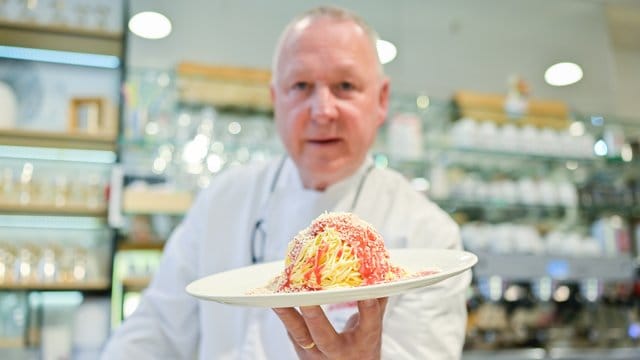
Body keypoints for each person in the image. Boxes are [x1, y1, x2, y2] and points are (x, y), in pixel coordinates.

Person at [102, 6, 470, 359]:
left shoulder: (428, 235)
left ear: (381, 100)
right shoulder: (223, 199)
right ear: (276, 99)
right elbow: (154, 330)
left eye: (345, 85)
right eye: (300, 85)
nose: (323, 110)